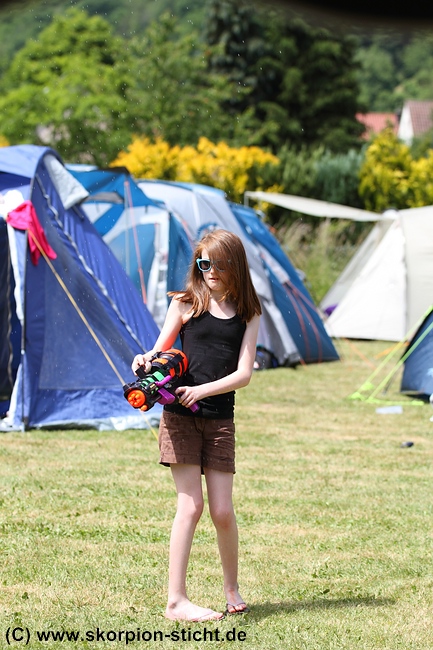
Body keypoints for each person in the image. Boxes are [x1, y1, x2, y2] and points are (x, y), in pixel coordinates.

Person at [132, 229, 261, 623]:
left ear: (234, 265)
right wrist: (144, 360)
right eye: (204, 263)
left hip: (219, 420)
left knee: (222, 510)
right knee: (191, 506)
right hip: (180, 419)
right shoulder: (185, 303)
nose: (211, 271)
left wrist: (202, 390)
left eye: (218, 264)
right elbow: (159, 350)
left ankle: (231, 589)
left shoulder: (248, 312)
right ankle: (176, 601)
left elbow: (243, 374)